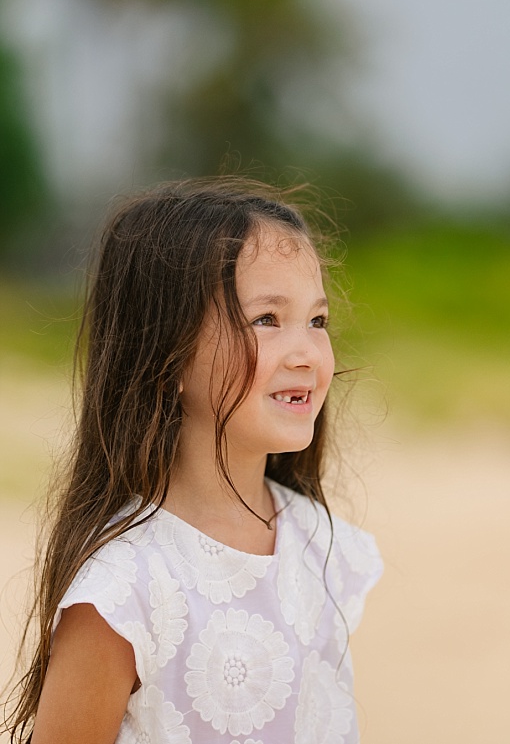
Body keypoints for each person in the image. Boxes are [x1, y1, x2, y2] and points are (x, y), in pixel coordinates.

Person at [4, 179, 384, 742]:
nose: (306, 353)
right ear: (168, 350)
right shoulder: (126, 589)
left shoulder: (316, 542)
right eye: (266, 320)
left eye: (317, 321)